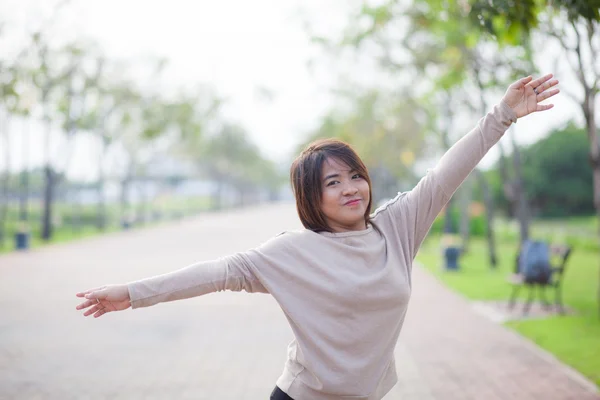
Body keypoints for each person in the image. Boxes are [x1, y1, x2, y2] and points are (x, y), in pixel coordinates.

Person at [76, 74, 559, 400]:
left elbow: (444, 174)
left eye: (355, 176)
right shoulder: (293, 252)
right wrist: (132, 294)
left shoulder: (398, 225)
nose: (350, 188)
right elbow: (218, 273)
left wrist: (502, 115)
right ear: (313, 196)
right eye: (333, 182)